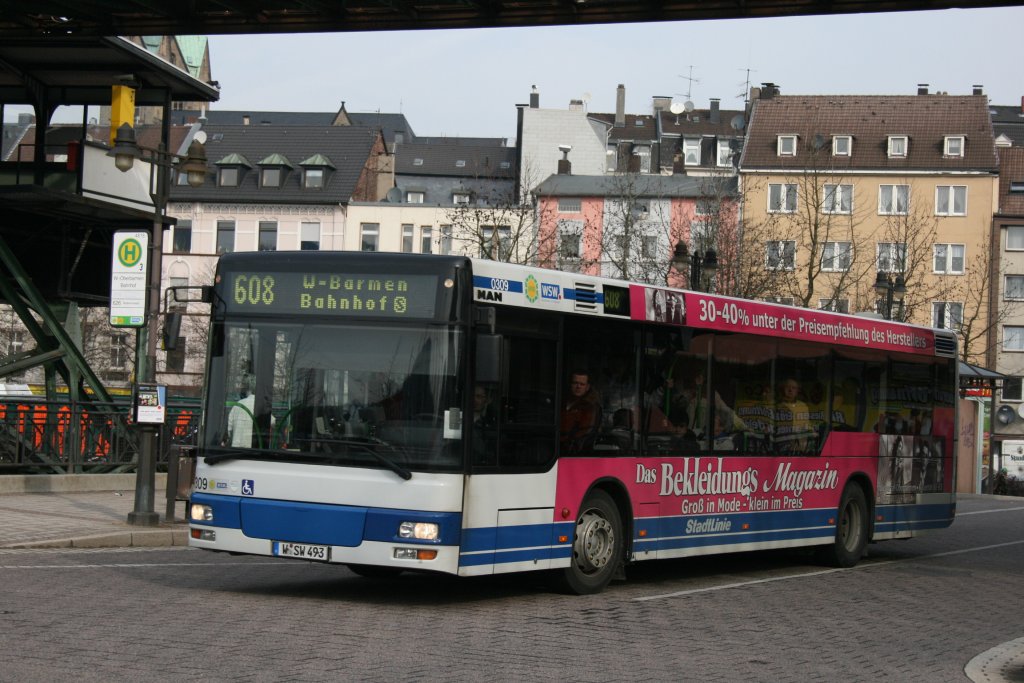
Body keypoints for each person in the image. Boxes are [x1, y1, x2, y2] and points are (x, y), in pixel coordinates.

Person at [561, 370, 601, 453]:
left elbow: (585, 433)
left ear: (587, 387)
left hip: (575, 452)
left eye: (582, 384)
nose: (578, 386)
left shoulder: (591, 407)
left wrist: (569, 448)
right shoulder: (560, 402)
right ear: (570, 384)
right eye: (575, 383)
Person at [775, 377, 812, 452]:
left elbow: (807, 426)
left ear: (798, 390)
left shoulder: (803, 406)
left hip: (800, 443)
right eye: (788, 387)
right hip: (782, 443)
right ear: (783, 389)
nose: (790, 390)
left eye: (793, 388)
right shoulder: (777, 406)